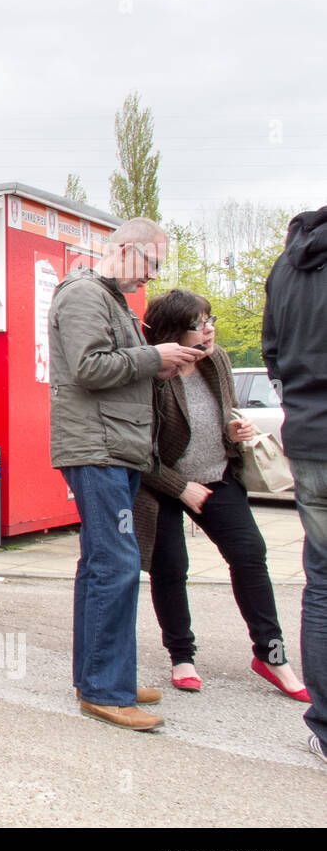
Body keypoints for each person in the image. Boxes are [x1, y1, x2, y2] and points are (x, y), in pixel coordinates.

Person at [49, 217, 202, 732]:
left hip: (113, 446)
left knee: (102, 564)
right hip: (99, 448)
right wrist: (153, 356)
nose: (153, 279)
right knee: (115, 564)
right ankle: (104, 688)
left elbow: (112, 365)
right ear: (129, 251)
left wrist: (154, 363)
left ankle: (103, 674)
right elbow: (89, 368)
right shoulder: (84, 295)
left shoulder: (108, 298)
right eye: (153, 264)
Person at [133, 289, 306, 699]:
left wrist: (235, 430)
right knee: (171, 568)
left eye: (210, 320)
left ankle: (271, 654)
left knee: (250, 554)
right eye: (199, 324)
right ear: (171, 332)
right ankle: (182, 656)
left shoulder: (218, 360)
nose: (209, 330)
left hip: (218, 477)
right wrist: (180, 487)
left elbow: (224, 411)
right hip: (163, 484)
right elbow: (136, 450)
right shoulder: (151, 372)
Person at [261, 203, 327, 765]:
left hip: (310, 439)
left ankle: (325, 730)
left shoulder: (285, 269)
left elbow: (273, 355)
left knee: (322, 584)